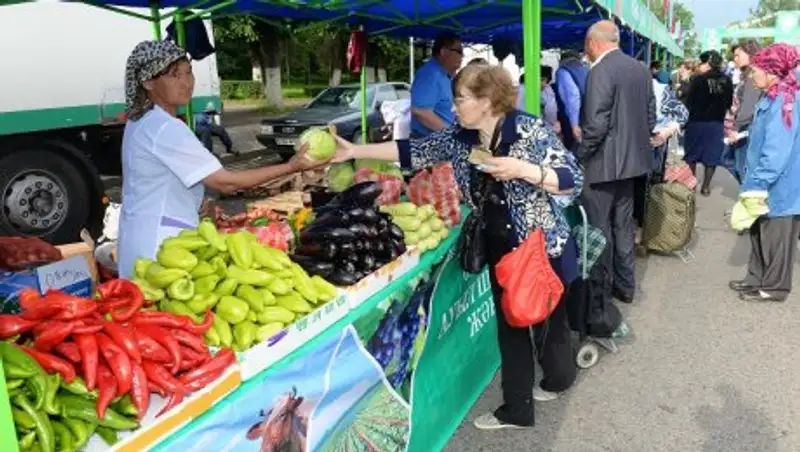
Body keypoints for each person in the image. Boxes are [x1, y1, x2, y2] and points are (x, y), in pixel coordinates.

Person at [331, 64, 582, 430]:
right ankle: (517, 408)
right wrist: (354, 149)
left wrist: (524, 170)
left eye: (459, 100)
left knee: (549, 316)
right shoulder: (460, 138)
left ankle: (558, 379)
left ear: (485, 100)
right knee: (512, 325)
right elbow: (413, 151)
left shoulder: (527, 129)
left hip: (541, 244)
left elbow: (572, 177)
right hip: (501, 245)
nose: (452, 108)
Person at [117, 41, 326, 279]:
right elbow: (227, 183)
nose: (186, 82)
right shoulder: (165, 127)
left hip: (140, 237)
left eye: (188, 72)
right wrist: (292, 166)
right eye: (175, 75)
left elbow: (156, 180)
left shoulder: (141, 121)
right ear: (148, 82)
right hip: (161, 247)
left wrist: (194, 200)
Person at [579, 20, 655, 310]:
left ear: (593, 42)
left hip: (603, 165)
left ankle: (602, 292)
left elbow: (596, 123)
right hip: (633, 162)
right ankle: (626, 285)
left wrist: (580, 155)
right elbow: (650, 115)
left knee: (599, 229)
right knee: (623, 226)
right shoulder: (639, 68)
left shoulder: (600, 70)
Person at [729, 43, 800, 302]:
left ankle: (774, 287)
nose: (751, 74)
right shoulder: (771, 95)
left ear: (771, 72)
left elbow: (777, 149)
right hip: (763, 179)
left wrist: (758, 181)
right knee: (759, 230)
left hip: (778, 184)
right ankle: (755, 278)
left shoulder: (786, 100)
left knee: (777, 238)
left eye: (755, 70)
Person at [683, 50, 734, 196]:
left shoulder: (697, 80)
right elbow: (729, 102)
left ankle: (691, 184)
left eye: (702, 62)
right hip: (716, 123)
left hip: (696, 122)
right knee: (711, 156)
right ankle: (705, 186)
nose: (700, 65)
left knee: (691, 154)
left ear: (708, 63)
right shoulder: (727, 80)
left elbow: (689, 101)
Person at [409, 32, 463, 138]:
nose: (462, 56)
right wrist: (451, 136)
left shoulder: (445, 75)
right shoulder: (430, 74)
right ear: (443, 52)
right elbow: (421, 111)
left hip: (440, 140)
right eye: (459, 51)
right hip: (428, 142)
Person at [721, 41, 761, 184]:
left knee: (740, 166)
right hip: (745, 126)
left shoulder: (752, 75)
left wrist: (736, 129)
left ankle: (750, 199)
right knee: (735, 163)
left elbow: (749, 106)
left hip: (746, 127)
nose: (735, 59)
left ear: (750, 53)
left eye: (738, 55)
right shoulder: (746, 75)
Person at [554, 49, 589, 150]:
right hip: (588, 116)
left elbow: (572, 97)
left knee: (573, 150)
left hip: (573, 119)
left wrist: (574, 124)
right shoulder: (586, 69)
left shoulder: (563, 71)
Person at [516, 68, 560, 134]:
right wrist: (553, 126)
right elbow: (550, 109)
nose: (544, 84)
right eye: (542, 80)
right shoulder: (535, 91)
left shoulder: (519, 89)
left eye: (546, 81)